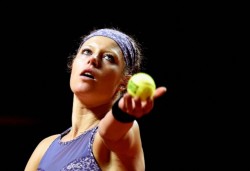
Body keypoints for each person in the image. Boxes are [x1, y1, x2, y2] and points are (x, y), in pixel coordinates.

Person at [25, 28, 167, 171]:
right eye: (87, 51)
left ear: (124, 82)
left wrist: (122, 113)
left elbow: (109, 134)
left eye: (109, 57)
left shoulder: (123, 132)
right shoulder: (45, 147)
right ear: (73, 63)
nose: (93, 59)